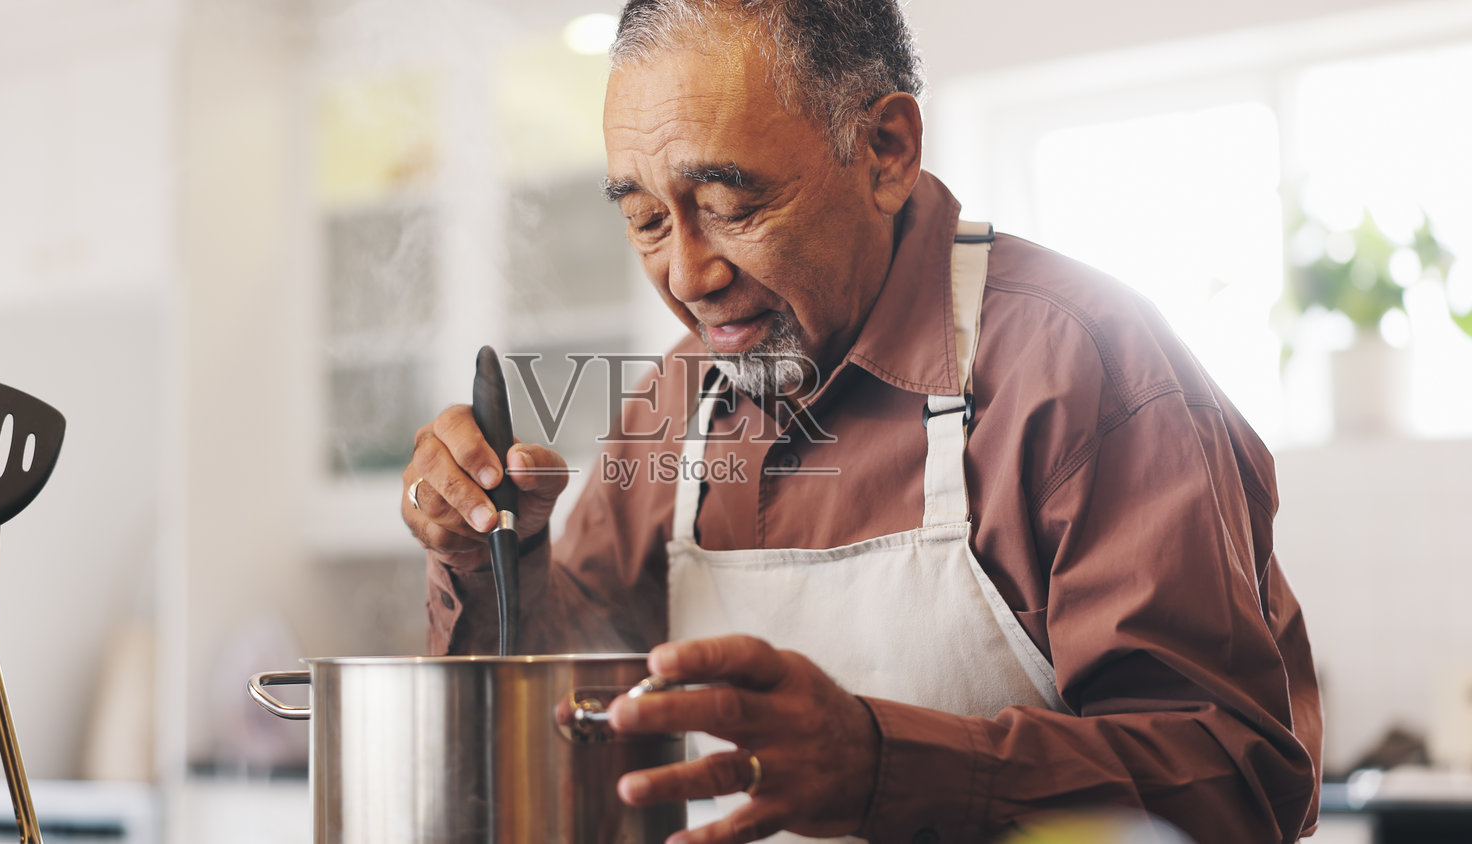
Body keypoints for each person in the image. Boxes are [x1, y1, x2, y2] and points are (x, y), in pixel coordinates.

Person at [399, 1, 1323, 841]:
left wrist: (886, 767)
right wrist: (494, 562)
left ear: (885, 150)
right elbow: (580, 701)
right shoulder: (673, 406)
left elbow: (1237, 789)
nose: (686, 276)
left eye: (728, 206)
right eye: (645, 220)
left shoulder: (1085, 366)